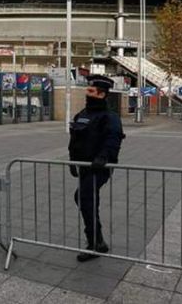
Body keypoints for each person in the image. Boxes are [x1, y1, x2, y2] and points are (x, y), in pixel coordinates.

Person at [68, 75, 125, 262]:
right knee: (88, 200)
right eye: (88, 90)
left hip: (99, 167)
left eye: (91, 91)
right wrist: (72, 160)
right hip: (84, 166)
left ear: (101, 94)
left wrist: (103, 157)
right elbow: (74, 139)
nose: (87, 93)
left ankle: (94, 243)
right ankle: (98, 242)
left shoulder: (110, 117)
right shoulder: (83, 114)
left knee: (83, 197)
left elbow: (113, 139)